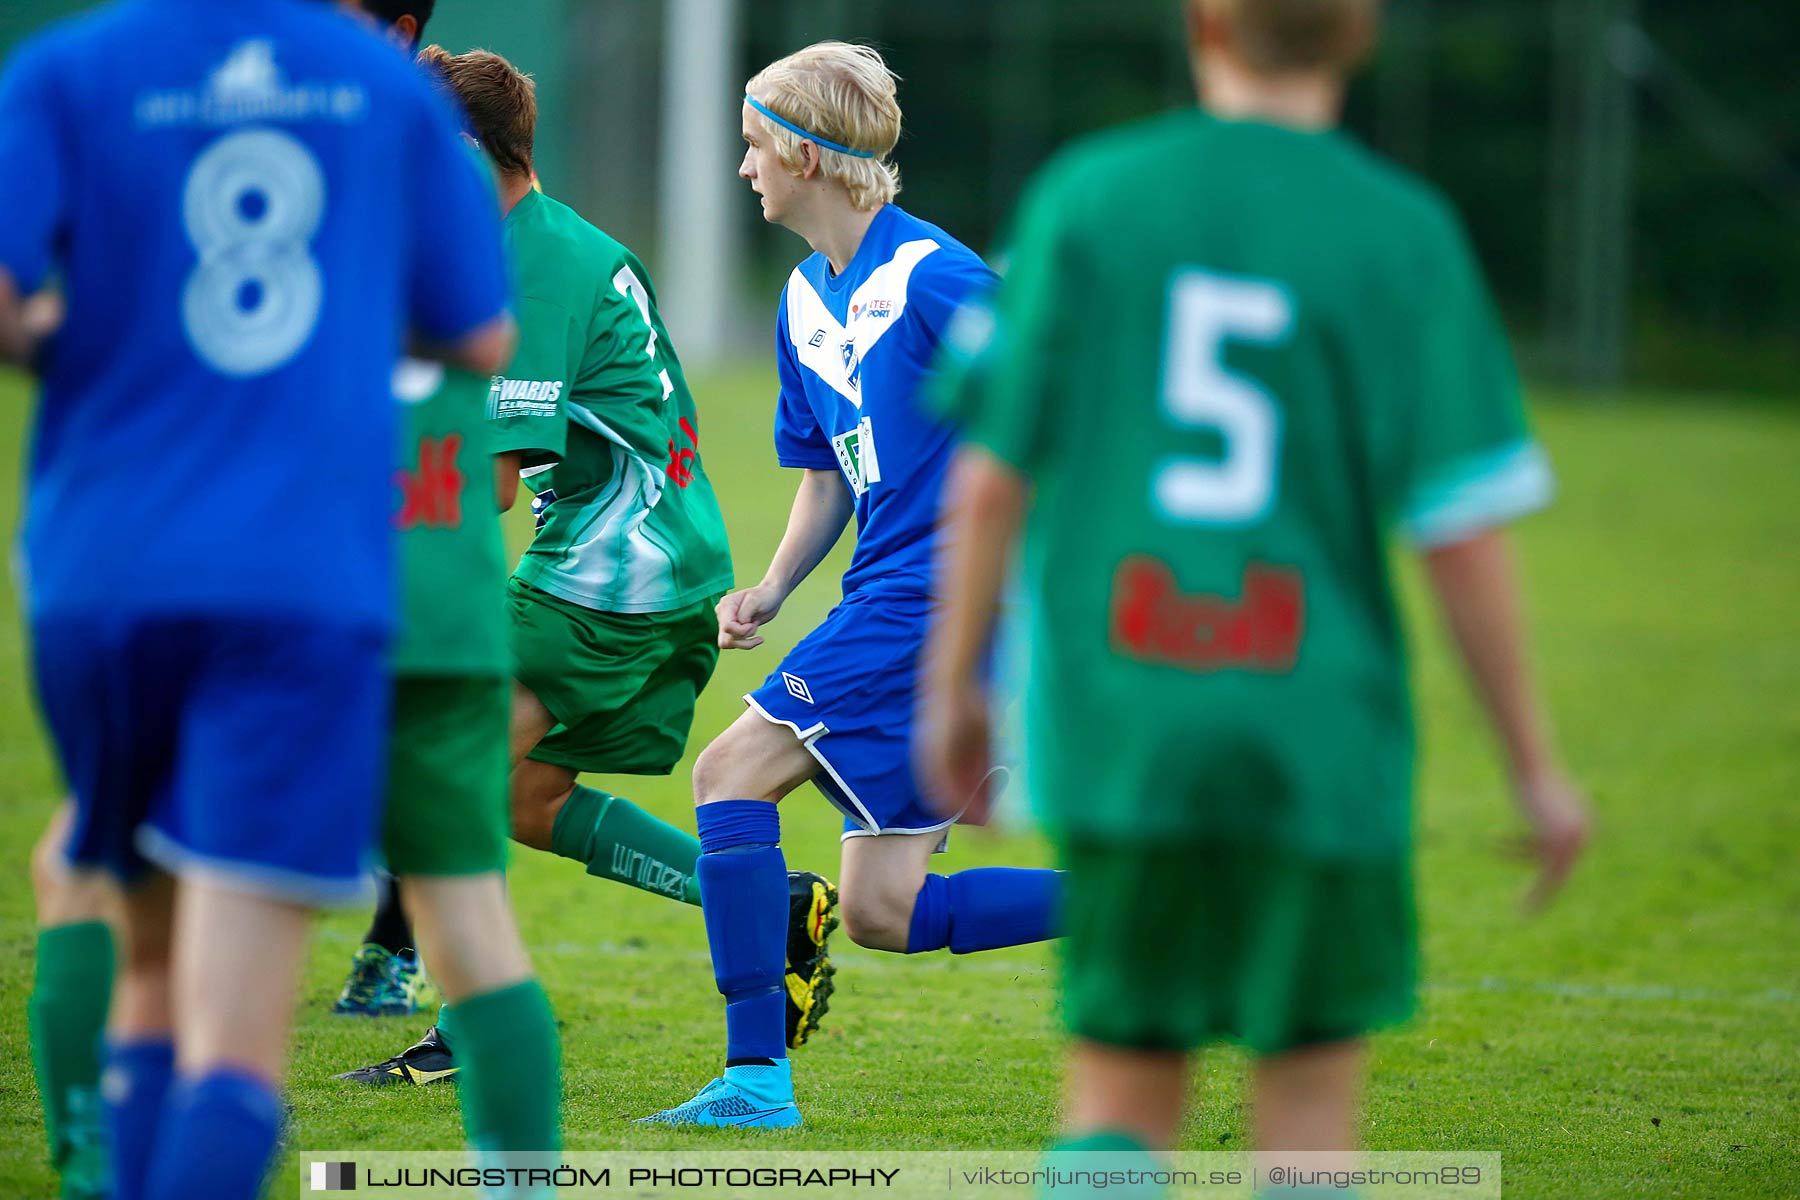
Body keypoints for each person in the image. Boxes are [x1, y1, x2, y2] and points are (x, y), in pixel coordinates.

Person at [920, 0, 1592, 1180]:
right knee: (1311, 1119)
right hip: (1315, 725)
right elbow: (1463, 535)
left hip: (1126, 711)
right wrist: (1534, 765)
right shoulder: (1403, 232)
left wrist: (954, 693)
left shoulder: (1091, 195)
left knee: (1119, 1092)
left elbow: (989, 481)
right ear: (1361, 34)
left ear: (1205, 25)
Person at [0, 0, 514, 1196]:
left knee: (141, 967)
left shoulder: (68, 70)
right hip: (295, 581)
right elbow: (481, 332)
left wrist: (95, 339)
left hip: (102, 568)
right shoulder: (381, 88)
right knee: (234, 1038)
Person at [338, 44, 839, 1088]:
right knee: (518, 795)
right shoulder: (544, 242)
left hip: (618, 572)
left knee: (435, 774)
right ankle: (770, 903)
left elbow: (489, 485)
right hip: (641, 562)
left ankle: (470, 1032)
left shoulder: (534, 263)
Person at [641, 42, 1063, 1130]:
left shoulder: (937, 278)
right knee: (884, 911)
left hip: (936, 603)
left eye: (753, 148)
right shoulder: (799, 300)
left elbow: (1047, 413)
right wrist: (775, 585)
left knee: (729, 773)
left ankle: (753, 1080)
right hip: (885, 597)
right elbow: (828, 475)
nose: (743, 170)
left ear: (805, 154)